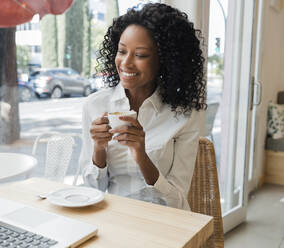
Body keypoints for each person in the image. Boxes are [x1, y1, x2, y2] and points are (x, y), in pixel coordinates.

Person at [79, 3, 206, 210]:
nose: (126, 63)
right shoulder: (95, 105)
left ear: (164, 60)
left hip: (163, 224)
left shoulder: (183, 114)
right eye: (122, 51)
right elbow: (92, 191)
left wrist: (142, 156)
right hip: (114, 218)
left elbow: (178, 201)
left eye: (140, 55)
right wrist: (99, 149)